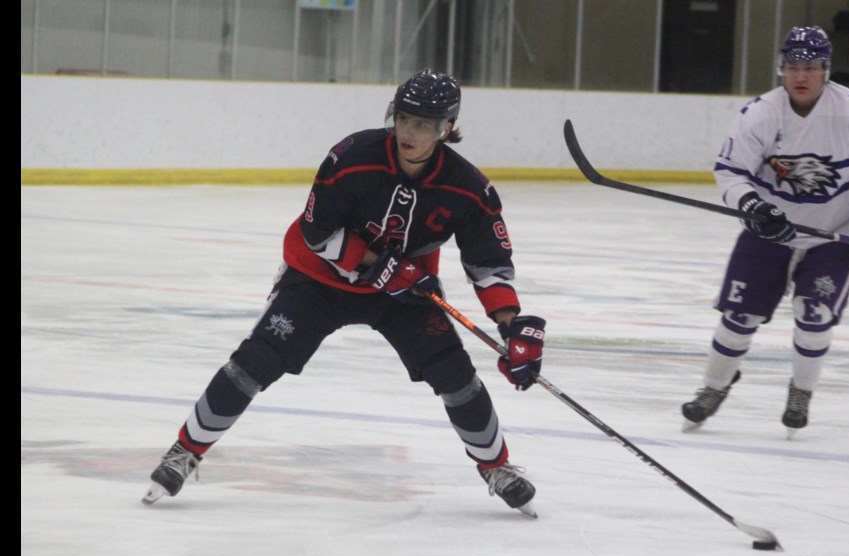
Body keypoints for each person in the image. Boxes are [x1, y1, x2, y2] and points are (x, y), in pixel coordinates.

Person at [142, 68, 546, 517]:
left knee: (455, 377)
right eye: (404, 119)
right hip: (319, 279)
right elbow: (316, 232)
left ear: (446, 130)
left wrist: (511, 326)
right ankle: (183, 452)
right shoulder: (352, 156)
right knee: (254, 363)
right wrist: (379, 266)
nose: (409, 133)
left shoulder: (469, 188)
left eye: (424, 125)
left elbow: (488, 262)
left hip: (403, 294)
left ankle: (497, 467)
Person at [681, 26, 849, 438]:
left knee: (814, 316)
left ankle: (801, 392)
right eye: (792, 67)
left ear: (826, 70)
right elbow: (731, 172)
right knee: (738, 317)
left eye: (810, 67)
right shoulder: (761, 114)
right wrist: (751, 205)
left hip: (836, 232)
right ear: (781, 70)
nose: (800, 76)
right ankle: (714, 387)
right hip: (771, 232)